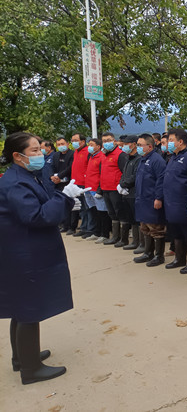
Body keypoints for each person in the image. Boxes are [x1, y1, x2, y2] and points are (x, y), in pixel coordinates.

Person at [0, 132, 88, 385]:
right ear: (18, 156)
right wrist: (65, 197)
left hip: (22, 250)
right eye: (35, 151)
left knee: (21, 307)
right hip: (25, 253)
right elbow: (36, 216)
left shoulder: (24, 175)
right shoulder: (17, 182)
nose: (40, 154)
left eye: (40, 149)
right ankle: (31, 369)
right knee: (29, 308)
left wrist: (62, 197)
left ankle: (22, 357)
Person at [162, 129, 187, 271]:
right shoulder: (173, 157)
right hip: (171, 202)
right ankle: (179, 259)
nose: (169, 143)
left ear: (181, 141)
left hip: (183, 203)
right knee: (176, 232)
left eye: (171, 140)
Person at [133, 134, 167, 267]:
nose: (138, 147)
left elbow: (161, 180)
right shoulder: (142, 159)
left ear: (150, 146)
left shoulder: (156, 160)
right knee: (145, 228)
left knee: (156, 229)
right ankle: (148, 252)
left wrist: (158, 198)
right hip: (142, 200)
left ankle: (159, 256)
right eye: (137, 145)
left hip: (152, 200)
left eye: (140, 145)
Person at [99, 132, 128, 246]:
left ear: (114, 141)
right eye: (104, 141)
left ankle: (123, 239)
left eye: (108, 140)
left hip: (116, 189)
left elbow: (124, 172)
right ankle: (115, 236)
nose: (106, 143)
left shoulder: (120, 155)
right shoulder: (103, 155)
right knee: (111, 213)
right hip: (105, 188)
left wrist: (122, 186)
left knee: (120, 212)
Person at [117, 135, 142, 250]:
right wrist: (121, 184)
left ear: (134, 144)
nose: (124, 147)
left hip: (134, 192)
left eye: (126, 144)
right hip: (126, 193)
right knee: (130, 218)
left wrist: (124, 184)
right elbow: (124, 173)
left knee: (137, 219)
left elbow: (135, 176)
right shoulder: (128, 158)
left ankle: (140, 242)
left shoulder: (138, 159)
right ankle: (132, 241)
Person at [70, 133, 94, 238]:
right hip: (77, 183)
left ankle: (90, 229)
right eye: (72, 140)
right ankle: (83, 228)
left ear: (83, 141)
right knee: (82, 208)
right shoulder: (76, 152)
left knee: (88, 207)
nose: (73, 142)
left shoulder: (88, 152)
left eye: (76, 140)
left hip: (86, 184)